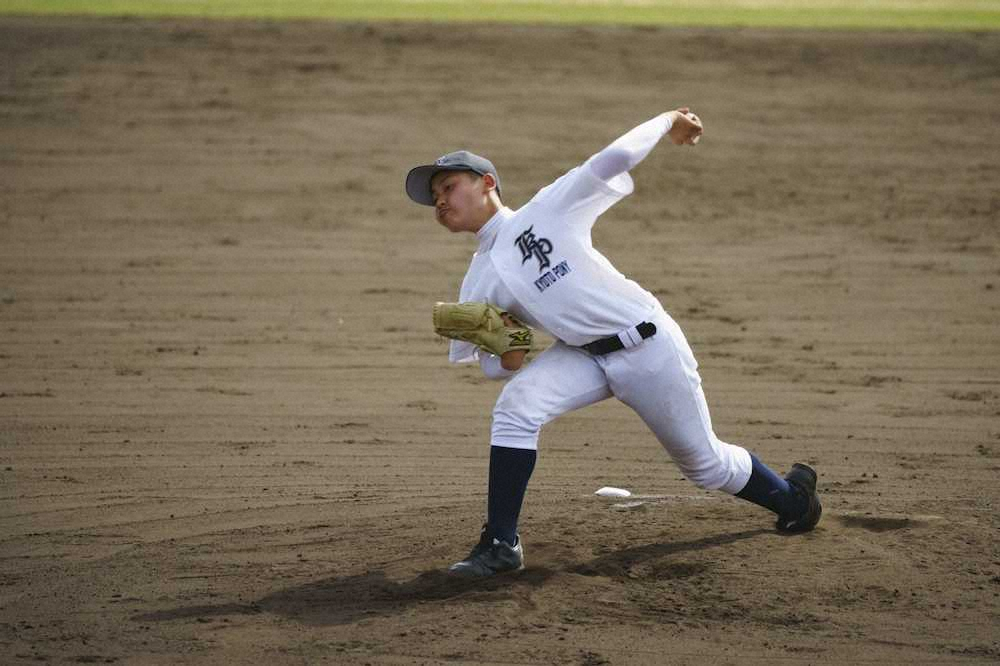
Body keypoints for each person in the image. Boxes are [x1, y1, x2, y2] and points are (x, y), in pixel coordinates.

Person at [404, 108, 821, 578]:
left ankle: (795, 500)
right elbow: (493, 369)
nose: (440, 201)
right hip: (582, 355)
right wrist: (509, 354)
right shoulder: (474, 285)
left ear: (486, 182)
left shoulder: (547, 209)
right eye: (434, 197)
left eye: (448, 187)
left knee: (705, 466)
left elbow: (614, 158)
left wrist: (667, 121)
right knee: (515, 407)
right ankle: (501, 543)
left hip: (647, 345)